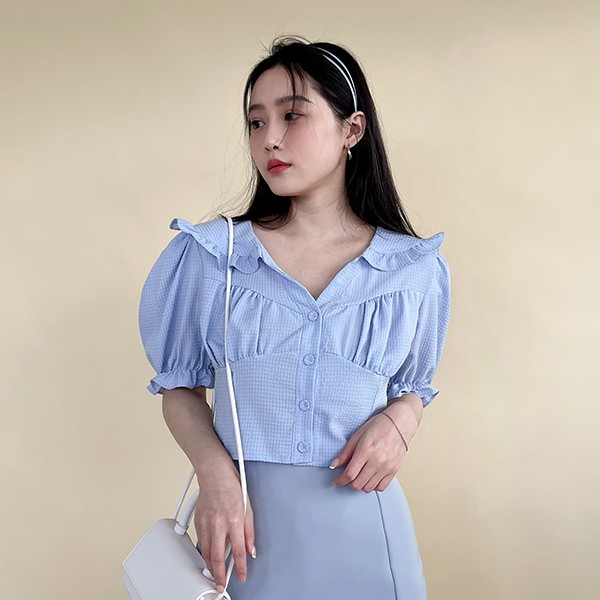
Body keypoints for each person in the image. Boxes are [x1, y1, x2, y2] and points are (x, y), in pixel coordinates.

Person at [138, 35, 451, 599]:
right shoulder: (211, 256)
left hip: (370, 532)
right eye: (256, 122)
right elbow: (179, 386)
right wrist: (216, 475)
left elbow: (411, 389)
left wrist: (401, 423)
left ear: (352, 130)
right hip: (243, 532)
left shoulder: (413, 268)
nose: (270, 139)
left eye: (292, 115)